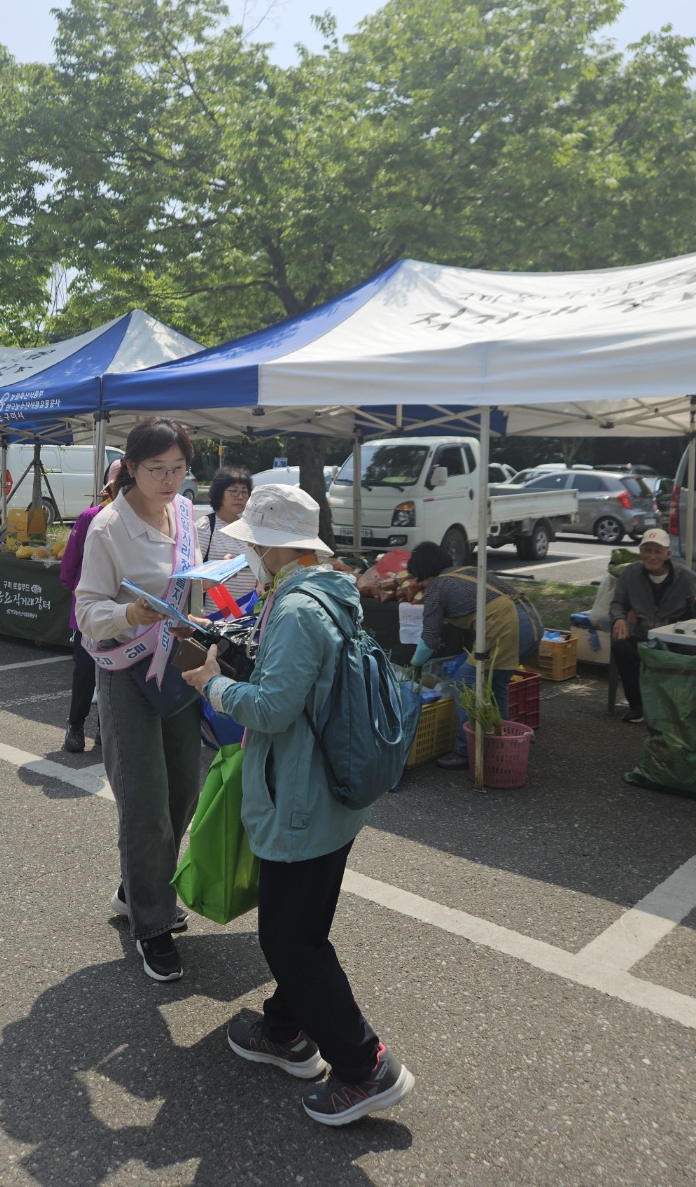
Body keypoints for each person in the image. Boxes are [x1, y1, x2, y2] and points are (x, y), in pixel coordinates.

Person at [182, 484, 414, 1128]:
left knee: (290, 938)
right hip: (332, 788)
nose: (250, 551)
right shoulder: (330, 591)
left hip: (301, 796)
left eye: (255, 542)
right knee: (301, 924)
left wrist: (213, 684)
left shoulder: (294, 610)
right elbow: (305, 684)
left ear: (276, 546)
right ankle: (285, 1030)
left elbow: (271, 709)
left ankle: (366, 1067)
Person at [75, 417, 202, 983]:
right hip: (126, 671)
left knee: (184, 790)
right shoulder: (107, 528)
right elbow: (85, 611)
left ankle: (138, 885)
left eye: (178, 469)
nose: (169, 479)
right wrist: (131, 612)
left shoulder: (186, 513)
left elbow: (194, 580)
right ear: (130, 466)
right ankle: (151, 923)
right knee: (144, 799)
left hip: (176, 666)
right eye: (157, 469)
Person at [404, 542, 543, 770]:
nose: (417, 583)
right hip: (531, 619)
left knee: (464, 682)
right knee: (497, 684)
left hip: (505, 625)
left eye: (417, 577)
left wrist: (415, 663)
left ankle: (465, 750)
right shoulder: (466, 570)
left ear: (424, 571)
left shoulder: (438, 587)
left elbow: (429, 638)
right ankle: (500, 740)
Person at [58, 462, 123, 752]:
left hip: (123, 615)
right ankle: (75, 725)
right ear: (109, 487)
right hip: (88, 615)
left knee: (115, 674)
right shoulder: (89, 517)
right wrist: (79, 596)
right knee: (85, 671)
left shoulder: (142, 520)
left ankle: (103, 729)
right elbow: (69, 565)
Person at [609, 527, 696, 722]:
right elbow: (618, 602)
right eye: (647, 550)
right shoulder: (631, 573)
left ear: (667, 554)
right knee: (621, 646)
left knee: (687, 652)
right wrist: (619, 618)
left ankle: (677, 708)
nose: (651, 556)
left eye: (657, 551)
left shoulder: (687, 576)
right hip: (643, 633)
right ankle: (638, 706)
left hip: (674, 636)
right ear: (641, 552)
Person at [195, 466, 258, 610]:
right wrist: (220, 570)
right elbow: (192, 579)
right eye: (234, 491)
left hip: (246, 618)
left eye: (244, 492)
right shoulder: (206, 526)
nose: (240, 496)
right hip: (213, 618)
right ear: (219, 494)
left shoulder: (251, 529)